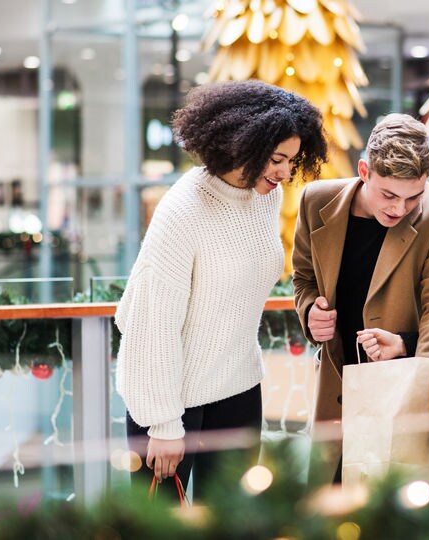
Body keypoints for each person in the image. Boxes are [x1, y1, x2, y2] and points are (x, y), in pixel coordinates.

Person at [115, 80, 328, 498]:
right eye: (277, 159)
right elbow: (149, 322)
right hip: (171, 403)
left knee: (238, 521)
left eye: (292, 160)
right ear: (241, 145)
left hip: (238, 389)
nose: (286, 172)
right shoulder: (183, 209)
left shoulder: (265, 197)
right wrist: (163, 424)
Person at [292, 113, 429, 483]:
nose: (399, 209)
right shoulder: (316, 201)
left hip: (404, 391)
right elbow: (304, 277)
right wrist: (310, 310)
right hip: (337, 389)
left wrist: (413, 372)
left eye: (413, 197)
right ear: (364, 170)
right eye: (388, 194)